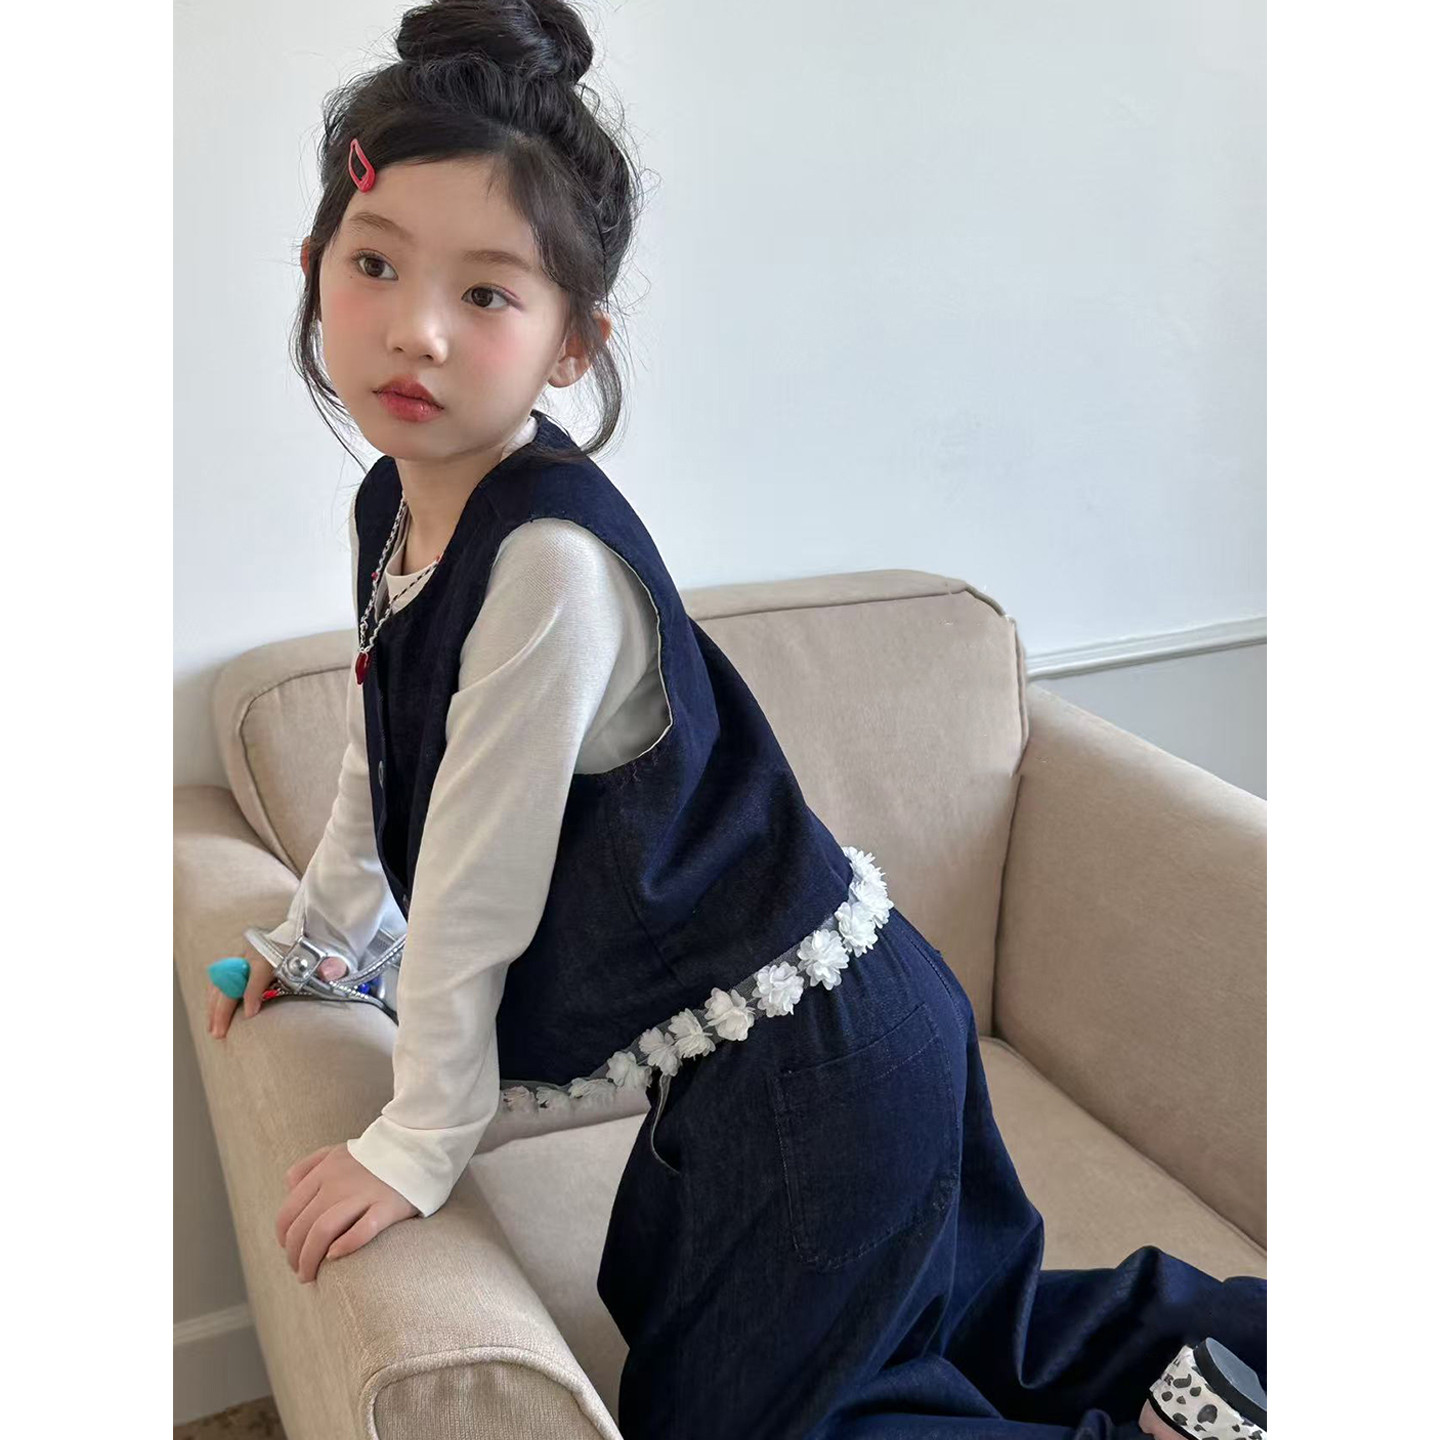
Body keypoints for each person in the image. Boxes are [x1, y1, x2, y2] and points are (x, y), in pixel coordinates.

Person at [206, 4, 1266, 1436]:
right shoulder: (394, 506)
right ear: (314, 265)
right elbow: (380, 755)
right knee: (981, 1329)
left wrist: (417, 1140)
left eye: (489, 294)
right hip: (797, 1051)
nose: (416, 331)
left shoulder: (546, 564)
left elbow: (474, 885)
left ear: (574, 343)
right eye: (375, 264)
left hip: (820, 1068)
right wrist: (321, 949)